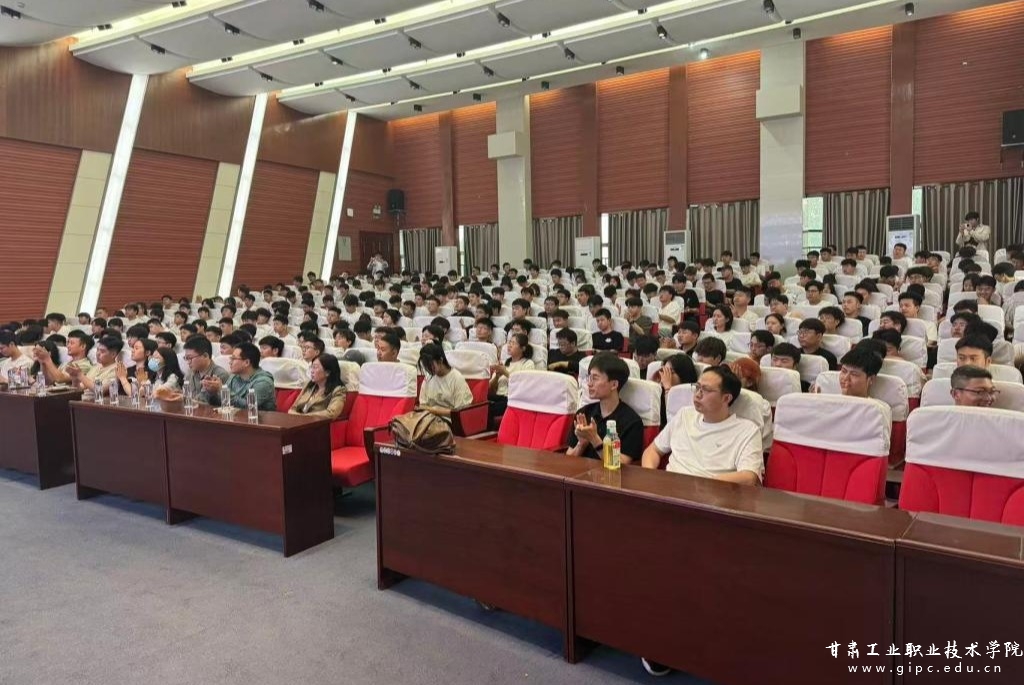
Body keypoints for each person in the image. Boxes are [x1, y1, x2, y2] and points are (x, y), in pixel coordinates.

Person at [641, 366, 763, 483]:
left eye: (706, 390)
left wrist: (704, 485)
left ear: (726, 398)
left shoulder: (747, 431)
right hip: (668, 488)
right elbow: (653, 450)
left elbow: (749, 477)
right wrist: (650, 476)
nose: (698, 394)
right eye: (697, 387)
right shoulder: (684, 415)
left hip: (712, 492)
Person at [567, 353, 644, 464]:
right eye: (589, 378)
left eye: (595, 378)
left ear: (614, 384)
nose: (589, 384)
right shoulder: (583, 413)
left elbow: (622, 464)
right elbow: (568, 460)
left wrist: (594, 439)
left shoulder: (632, 422)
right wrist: (581, 444)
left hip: (610, 475)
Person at [204, 342, 276, 411]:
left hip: (259, 418)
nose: (230, 362)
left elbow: (249, 407)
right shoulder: (234, 377)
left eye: (233, 359)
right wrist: (212, 392)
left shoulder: (263, 382)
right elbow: (224, 403)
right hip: (235, 417)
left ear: (246, 362)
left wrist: (223, 390)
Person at [416, 343, 474, 421]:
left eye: (430, 365)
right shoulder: (428, 377)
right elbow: (422, 405)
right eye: (425, 366)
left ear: (440, 361)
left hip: (449, 421)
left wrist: (434, 410)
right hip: (429, 418)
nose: (428, 369)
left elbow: (459, 412)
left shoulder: (456, 378)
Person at [171, 335, 231, 404]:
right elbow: (187, 393)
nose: (188, 362)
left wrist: (184, 397)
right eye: (186, 358)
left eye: (190, 358)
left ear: (205, 356)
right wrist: (179, 393)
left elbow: (203, 400)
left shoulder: (220, 374)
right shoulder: (190, 372)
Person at [488, 332, 535, 416]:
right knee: (482, 403)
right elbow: (491, 387)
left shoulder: (528, 363)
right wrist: (497, 376)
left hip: (513, 399)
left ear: (523, 348)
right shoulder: (504, 364)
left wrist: (505, 372)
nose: (509, 345)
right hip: (498, 397)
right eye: (509, 342)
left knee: (489, 409)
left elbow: (524, 385)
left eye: (513, 343)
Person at [289, 353, 347, 420]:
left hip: (316, 424)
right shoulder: (309, 385)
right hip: (297, 421)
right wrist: (295, 415)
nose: (312, 371)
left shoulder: (338, 390)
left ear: (327, 372)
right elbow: (293, 408)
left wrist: (304, 417)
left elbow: (331, 413)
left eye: (315, 367)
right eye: (311, 367)